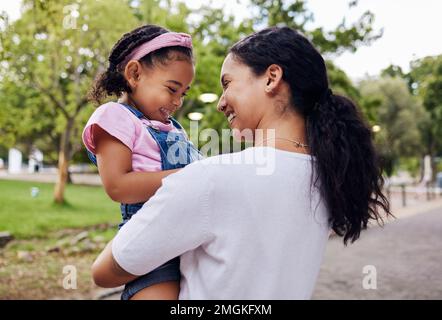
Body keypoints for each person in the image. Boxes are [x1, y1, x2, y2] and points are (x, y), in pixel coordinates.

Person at [91, 26, 391, 299]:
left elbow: (105, 272)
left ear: (271, 78)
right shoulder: (326, 176)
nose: (221, 102)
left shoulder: (210, 179)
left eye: (227, 83)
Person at [82, 24, 201, 300]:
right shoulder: (114, 117)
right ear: (135, 74)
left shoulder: (173, 128)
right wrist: (189, 176)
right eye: (172, 89)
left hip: (191, 242)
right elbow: (118, 186)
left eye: (183, 93)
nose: (178, 101)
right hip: (155, 246)